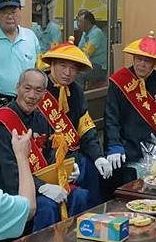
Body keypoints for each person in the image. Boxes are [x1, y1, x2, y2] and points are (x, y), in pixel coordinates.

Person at [0, 68, 89, 231]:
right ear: (17, 88)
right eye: (27, 88)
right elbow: (8, 173)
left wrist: (65, 169)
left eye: (38, 90)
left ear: (44, 94)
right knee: (47, 206)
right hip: (5, 189)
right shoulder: (2, 123)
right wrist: (41, 187)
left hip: (35, 182)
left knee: (80, 195)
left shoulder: (40, 118)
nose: (31, 96)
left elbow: (50, 155)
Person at [104, 31, 156, 196]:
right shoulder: (119, 81)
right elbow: (111, 118)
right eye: (139, 59)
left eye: (147, 61)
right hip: (128, 147)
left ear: (154, 63)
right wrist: (114, 145)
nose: (142, 64)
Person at [38, 38, 112, 206]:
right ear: (52, 64)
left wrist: (99, 157)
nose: (68, 73)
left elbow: (86, 129)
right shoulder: (39, 88)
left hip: (73, 156)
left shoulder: (76, 91)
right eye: (63, 66)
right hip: (47, 159)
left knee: (93, 167)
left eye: (73, 68)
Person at [76, 9, 107, 86]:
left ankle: (80, 96)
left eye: (80, 21)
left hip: (99, 67)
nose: (78, 24)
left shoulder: (96, 33)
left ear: (87, 22)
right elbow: (79, 50)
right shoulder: (85, 33)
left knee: (79, 74)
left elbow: (87, 53)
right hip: (89, 64)